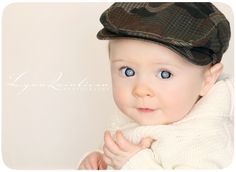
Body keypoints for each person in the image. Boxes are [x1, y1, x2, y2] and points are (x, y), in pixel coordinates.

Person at [78, 2, 233, 169]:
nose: (140, 90)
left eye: (164, 74)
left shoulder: (205, 141)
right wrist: (100, 159)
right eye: (128, 71)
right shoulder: (136, 115)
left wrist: (136, 164)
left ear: (207, 80)